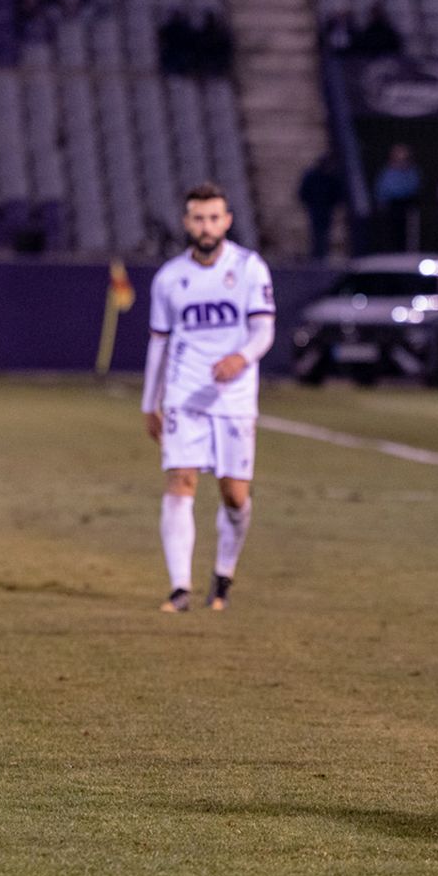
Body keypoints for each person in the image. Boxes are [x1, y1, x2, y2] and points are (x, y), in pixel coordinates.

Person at [141, 183, 275, 613]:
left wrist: (242, 356)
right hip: (184, 394)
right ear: (186, 223)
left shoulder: (250, 269)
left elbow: (264, 330)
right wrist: (150, 401)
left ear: (227, 221)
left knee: (234, 496)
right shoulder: (169, 278)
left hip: (234, 398)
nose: (206, 226)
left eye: (214, 218)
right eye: (198, 218)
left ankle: (223, 575)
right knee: (181, 482)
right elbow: (158, 343)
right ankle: (179, 588)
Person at [373, 143, 420, 253]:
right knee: (391, 231)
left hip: (407, 205)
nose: (401, 160)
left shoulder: (412, 172)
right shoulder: (387, 172)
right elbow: (381, 189)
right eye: (398, 156)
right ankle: (390, 251)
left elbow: (414, 186)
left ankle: (405, 252)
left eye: (404, 157)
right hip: (391, 205)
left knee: (406, 232)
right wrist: (381, 203)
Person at [297, 153, 344, 262]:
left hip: (327, 207)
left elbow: (337, 191)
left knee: (324, 230)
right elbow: (304, 190)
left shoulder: (332, 176)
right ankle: (318, 253)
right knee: (317, 230)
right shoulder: (312, 175)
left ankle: (323, 252)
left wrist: (336, 202)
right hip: (315, 206)